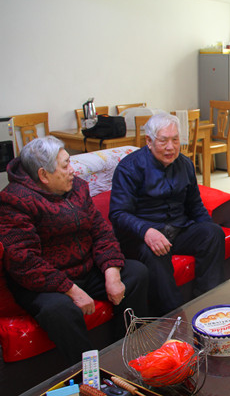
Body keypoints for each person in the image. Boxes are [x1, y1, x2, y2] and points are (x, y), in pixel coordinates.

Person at [0, 136, 148, 364]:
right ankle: (90, 372)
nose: (72, 170)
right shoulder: (15, 200)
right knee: (60, 310)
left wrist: (112, 273)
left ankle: (125, 350)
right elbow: (24, 261)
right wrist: (72, 291)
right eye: (65, 165)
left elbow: (101, 231)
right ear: (43, 175)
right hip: (45, 283)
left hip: (85, 269)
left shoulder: (77, 187)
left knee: (136, 273)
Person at [109, 113, 224, 316]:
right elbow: (118, 213)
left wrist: (207, 226)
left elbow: (195, 206)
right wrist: (146, 231)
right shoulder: (129, 168)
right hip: (144, 237)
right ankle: (173, 317)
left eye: (175, 140)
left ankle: (207, 305)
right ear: (149, 141)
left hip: (178, 230)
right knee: (155, 252)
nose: (171, 147)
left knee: (213, 233)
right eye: (163, 140)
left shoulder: (185, 164)